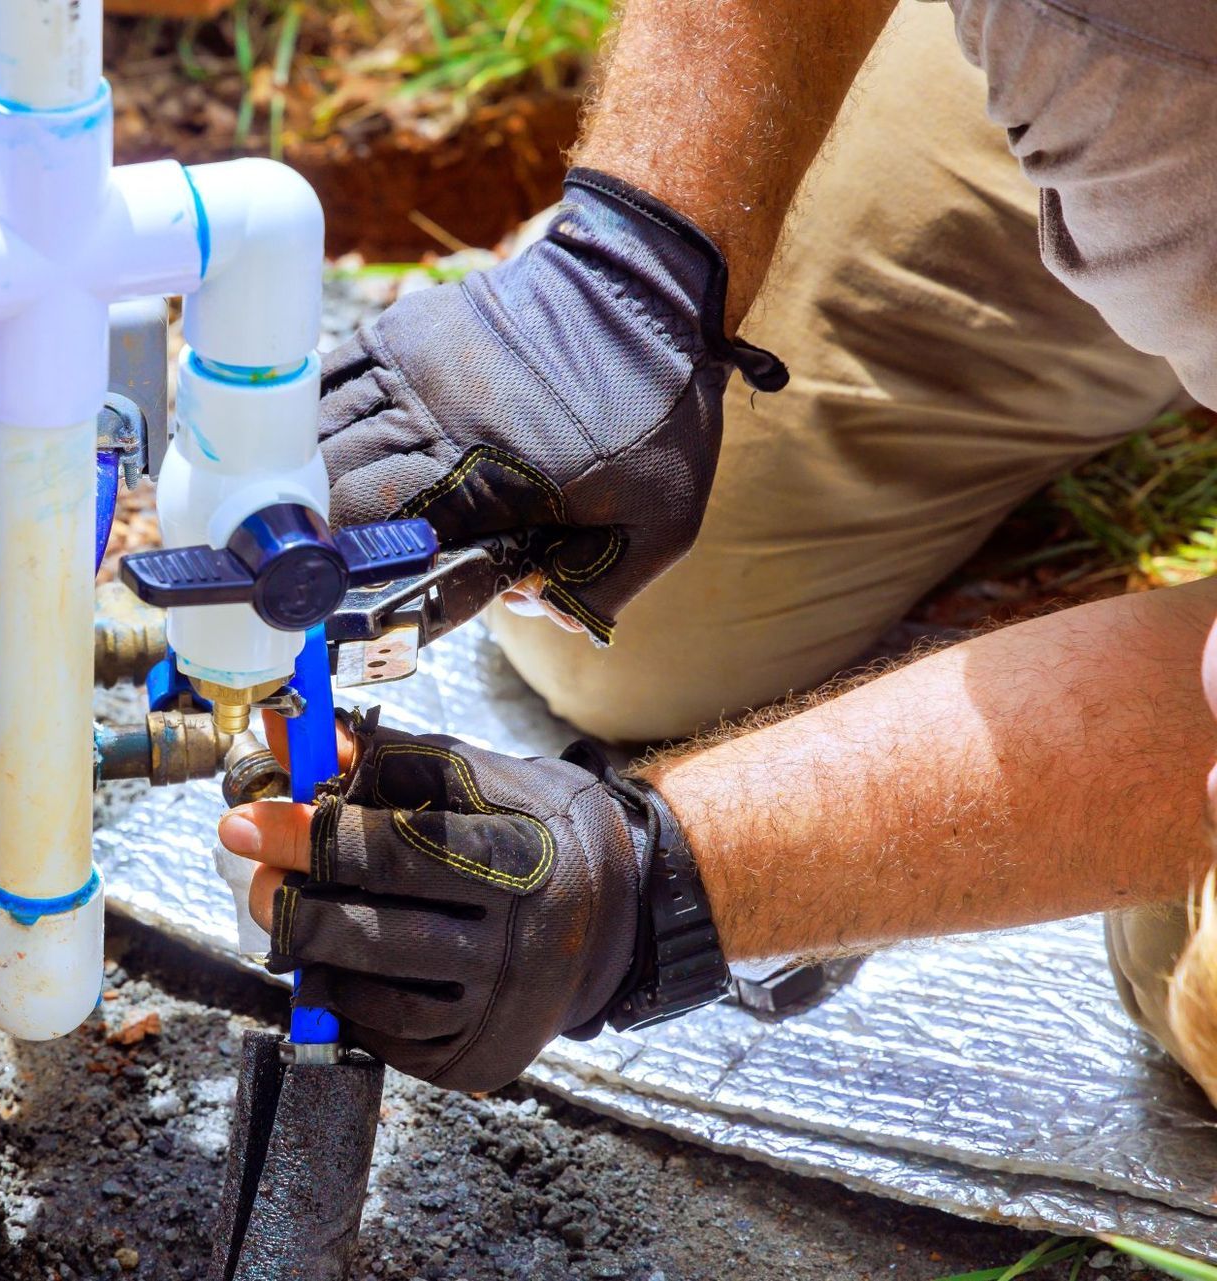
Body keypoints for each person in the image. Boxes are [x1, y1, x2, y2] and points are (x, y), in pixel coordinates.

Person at [216, 0, 1217, 1097]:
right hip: (1127, 65)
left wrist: (656, 881)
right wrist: (638, 260)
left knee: (1191, 975)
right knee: (633, 633)